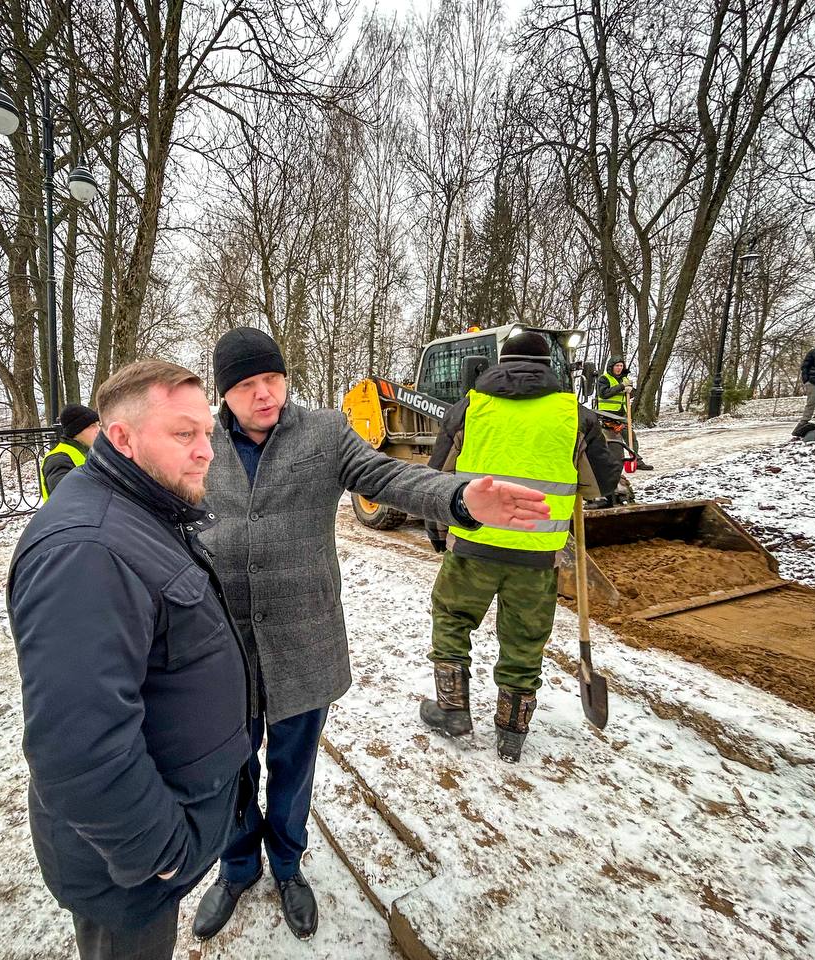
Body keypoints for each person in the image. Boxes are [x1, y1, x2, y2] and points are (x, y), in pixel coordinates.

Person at [191, 327, 550, 943]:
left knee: (292, 766)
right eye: (246, 385)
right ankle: (236, 866)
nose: (264, 394)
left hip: (304, 640)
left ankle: (286, 864)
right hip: (223, 647)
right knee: (229, 769)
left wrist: (461, 497)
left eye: (272, 379)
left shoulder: (324, 434)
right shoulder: (198, 446)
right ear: (223, 394)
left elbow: (389, 479)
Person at [8, 360, 252, 960]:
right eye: (183, 434)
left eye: (207, 434)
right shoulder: (88, 550)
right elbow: (77, 746)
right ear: (121, 438)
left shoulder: (142, 509)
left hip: (146, 845)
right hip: (126, 873)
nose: (205, 453)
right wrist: (160, 853)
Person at [420, 332, 622, 763]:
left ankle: (452, 709)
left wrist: (438, 533)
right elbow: (604, 484)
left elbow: (434, 480)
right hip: (536, 557)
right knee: (525, 640)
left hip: (472, 545)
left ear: (501, 360)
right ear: (548, 363)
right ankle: (512, 731)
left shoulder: (471, 408)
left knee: (452, 620)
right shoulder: (575, 415)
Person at [595, 356, 651, 470]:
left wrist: (631, 390)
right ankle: (605, 463)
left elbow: (632, 394)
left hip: (621, 415)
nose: (619, 368)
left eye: (621, 366)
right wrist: (621, 387)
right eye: (617, 366)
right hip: (606, 415)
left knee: (631, 437)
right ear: (611, 367)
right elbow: (603, 394)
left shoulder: (625, 379)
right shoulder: (604, 379)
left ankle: (635, 460)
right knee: (609, 439)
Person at [39, 402, 100, 501]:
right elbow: (68, 498)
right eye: (92, 426)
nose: (99, 430)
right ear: (76, 430)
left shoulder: (88, 452)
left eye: (98, 424)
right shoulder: (58, 460)